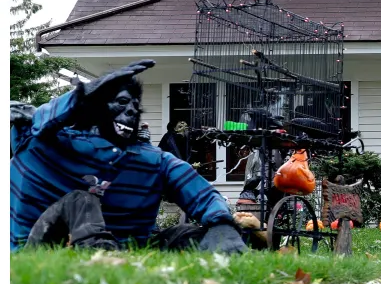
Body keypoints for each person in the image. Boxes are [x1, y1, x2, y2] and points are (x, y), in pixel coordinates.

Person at [10, 60, 244, 253]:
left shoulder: (154, 161)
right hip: (42, 248)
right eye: (122, 102)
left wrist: (222, 225)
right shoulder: (44, 140)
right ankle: (101, 257)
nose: (131, 109)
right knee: (81, 201)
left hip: (127, 251)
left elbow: (203, 194)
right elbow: (27, 118)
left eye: (135, 104)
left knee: (188, 234)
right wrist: (82, 95)